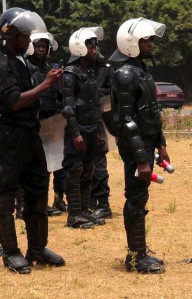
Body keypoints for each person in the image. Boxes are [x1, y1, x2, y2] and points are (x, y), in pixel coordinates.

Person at [0, 7, 65, 274]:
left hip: (30, 134)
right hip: (9, 137)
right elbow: (14, 102)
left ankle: (37, 249)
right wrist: (45, 85)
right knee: (5, 195)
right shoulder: (2, 63)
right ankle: (11, 252)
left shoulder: (20, 62)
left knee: (38, 190)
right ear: (10, 34)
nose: (28, 41)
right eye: (24, 36)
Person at [106, 18, 167, 274]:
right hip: (135, 146)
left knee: (140, 197)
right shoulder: (126, 74)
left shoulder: (142, 70)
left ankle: (140, 251)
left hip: (146, 142)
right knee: (135, 198)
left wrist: (161, 144)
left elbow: (152, 112)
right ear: (131, 43)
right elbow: (127, 120)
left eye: (152, 39)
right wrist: (142, 159)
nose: (151, 44)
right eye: (146, 40)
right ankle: (135, 257)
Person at [61, 27, 106, 229]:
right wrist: (75, 133)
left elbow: (95, 104)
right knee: (75, 170)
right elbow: (68, 108)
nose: (94, 49)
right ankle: (74, 215)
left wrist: (97, 131)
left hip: (91, 128)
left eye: (95, 45)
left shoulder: (90, 71)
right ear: (79, 46)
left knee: (89, 170)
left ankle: (85, 211)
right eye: (89, 45)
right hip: (77, 129)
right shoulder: (70, 74)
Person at [25, 31, 65, 217]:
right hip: (33, 122)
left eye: (45, 44)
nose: (42, 47)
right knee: (33, 165)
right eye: (38, 44)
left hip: (54, 121)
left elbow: (60, 95)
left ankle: (58, 200)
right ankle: (24, 206)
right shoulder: (24, 67)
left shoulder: (53, 68)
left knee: (57, 165)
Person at [88, 54, 113, 220]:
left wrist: (94, 92)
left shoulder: (105, 69)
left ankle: (103, 204)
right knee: (82, 167)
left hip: (98, 122)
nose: (93, 50)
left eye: (95, 45)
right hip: (81, 123)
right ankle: (88, 203)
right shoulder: (75, 70)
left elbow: (112, 92)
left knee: (99, 166)